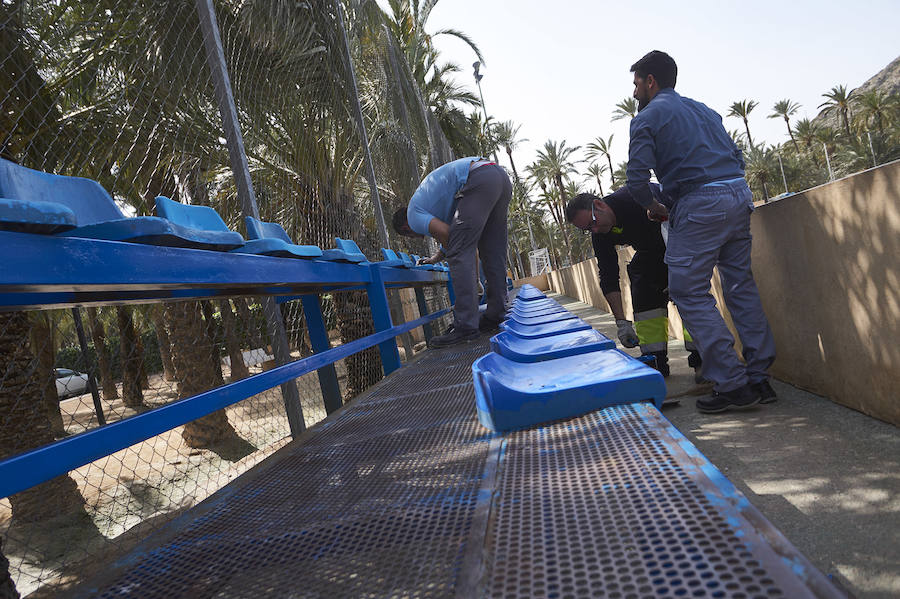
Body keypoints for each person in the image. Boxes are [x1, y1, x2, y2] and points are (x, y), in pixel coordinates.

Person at [623, 50, 777, 414]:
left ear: (650, 82)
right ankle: (759, 378)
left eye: (635, 85)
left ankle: (732, 383)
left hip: (699, 202)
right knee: (739, 286)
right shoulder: (705, 110)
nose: (633, 95)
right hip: (737, 195)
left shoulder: (647, 117)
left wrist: (653, 205)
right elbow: (737, 158)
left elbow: (637, 178)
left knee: (686, 290)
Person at [565, 186, 703, 380]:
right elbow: (608, 275)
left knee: (690, 298)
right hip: (650, 253)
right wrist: (621, 321)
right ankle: (655, 361)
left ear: (599, 205)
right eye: (588, 229)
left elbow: (676, 220)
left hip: (679, 243)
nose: (594, 230)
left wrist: (677, 273)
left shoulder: (634, 198)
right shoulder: (600, 233)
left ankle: (703, 359)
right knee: (642, 287)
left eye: (592, 223)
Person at [393, 156, 512, 347]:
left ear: (406, 228)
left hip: (478, 179)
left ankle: (465, 326)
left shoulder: (413, 216)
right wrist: (436, 258)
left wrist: (473, 283)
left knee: (460, 251)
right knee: (492, 251)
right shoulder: (434, 205)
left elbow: (455, 243)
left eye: (412, 236)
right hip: (498, 177)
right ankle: (496, 314)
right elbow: (456, 238)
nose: (420, 237)